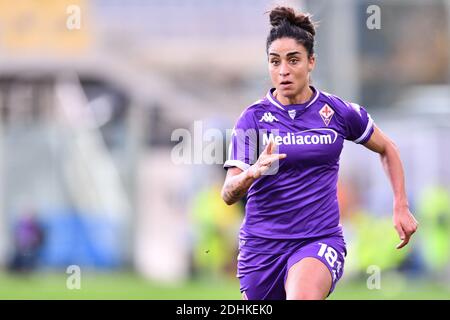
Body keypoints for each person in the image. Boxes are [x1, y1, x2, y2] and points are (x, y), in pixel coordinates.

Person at [221, 6, 418, 300]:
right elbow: (228, 193)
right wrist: (251, 173)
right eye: (275, 62)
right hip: (262, 248)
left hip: (318, 240)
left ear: (311, 61)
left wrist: (400, 205)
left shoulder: (338, 112)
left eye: (293, 60)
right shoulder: (252, 119)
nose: (283, 70)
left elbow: (388, 148)